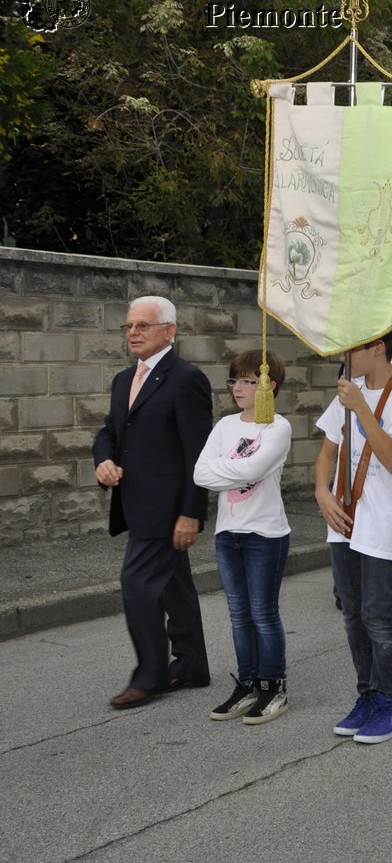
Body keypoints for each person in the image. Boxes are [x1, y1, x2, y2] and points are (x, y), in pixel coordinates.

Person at [93, 295, 213, 709]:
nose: (133, 333)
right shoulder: (124, 380)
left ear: (170, 331)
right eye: (128, 326)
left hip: (167, 510)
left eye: (142, 326)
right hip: (136, 503)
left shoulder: (186, 379)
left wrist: (191, 513)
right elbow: (110, 430)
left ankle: (151, 676)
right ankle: (193, 665)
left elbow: (198, 453)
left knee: (137, 584)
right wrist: (103, 459)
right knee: (175, 585)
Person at [315, 329, 392, 745]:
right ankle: (368, 694)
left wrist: (361, 408)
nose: (344, 356)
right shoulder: (348, 392)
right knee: (353, 615)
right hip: (344, 519)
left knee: (379, 616)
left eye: (352, 348)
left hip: (384, 522)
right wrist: (322, 492)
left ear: (377, 348)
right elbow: (327, 451)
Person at [192, 349, 293, 724]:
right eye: (235, 379)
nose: (239, 387)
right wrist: (242, 471)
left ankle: (273, 687)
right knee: (238, 615)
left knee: (263, 614)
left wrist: (232, 469)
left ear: (270, 386)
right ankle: (248, 683)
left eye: (250, 381)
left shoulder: (278, 427)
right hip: (227, 533)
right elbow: (200, 474)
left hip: (265, 533)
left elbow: (255, 467)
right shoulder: (225, 426)